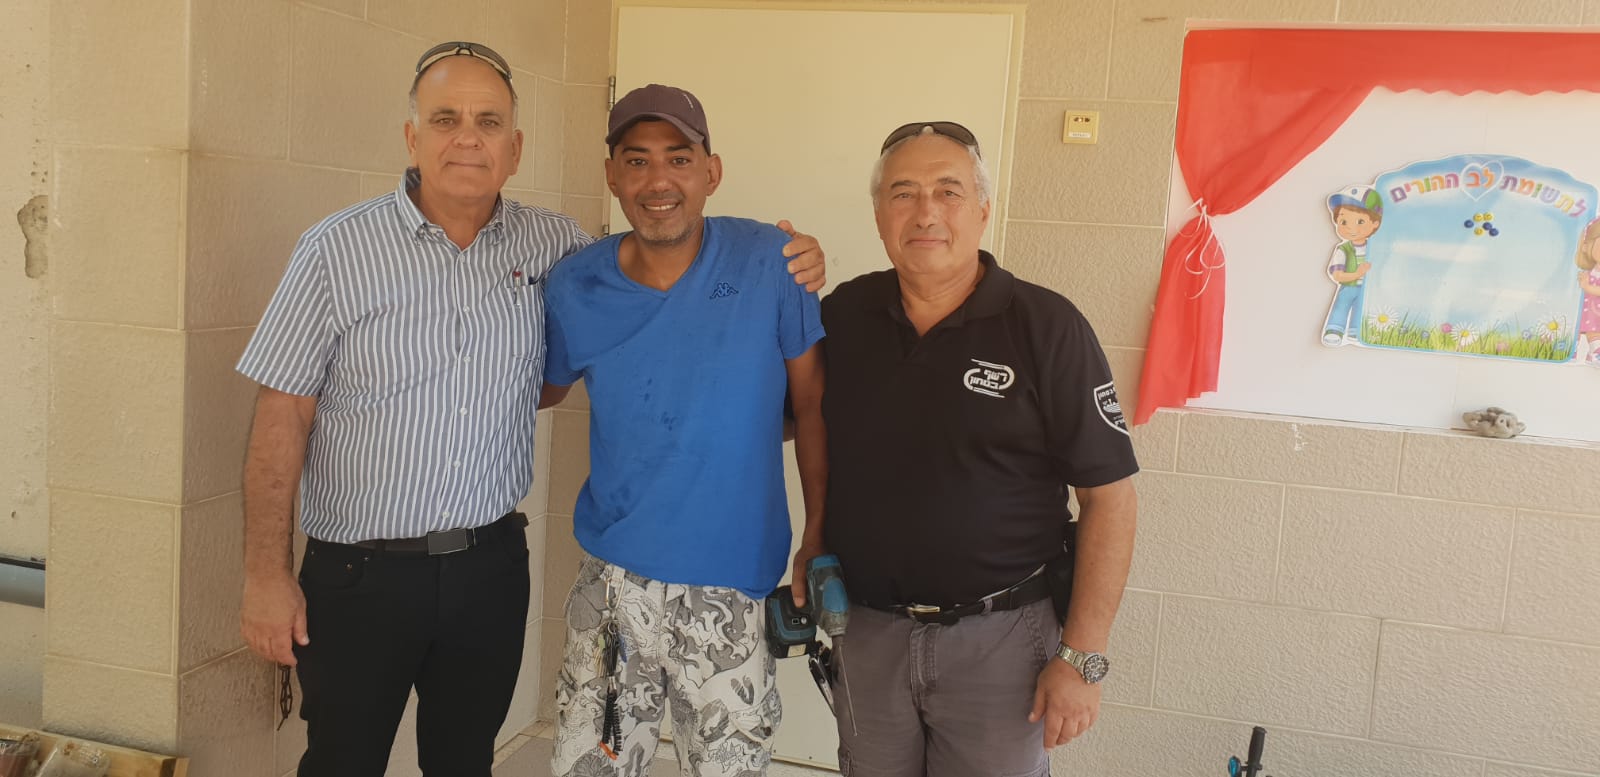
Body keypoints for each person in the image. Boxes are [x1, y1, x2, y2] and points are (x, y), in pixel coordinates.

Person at [235, 45, 825, 777]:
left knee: (464, 760)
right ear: (412, 136)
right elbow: (282, 413)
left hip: (487, 569)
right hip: (360, 573)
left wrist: (801, 257)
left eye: (488, 122)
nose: (467, 138)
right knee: (342, 762)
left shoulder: (556, 249)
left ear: (515, 149)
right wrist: (265, 573)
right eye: (445, 119)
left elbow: (668, 342)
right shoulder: (336, 249)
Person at [818, 122, 1140, 777]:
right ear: (879, 214)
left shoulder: (1046, 326)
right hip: (868, 631)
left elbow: (1110, 499)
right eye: (903, 193)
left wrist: (1081, 657)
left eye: (949, 191)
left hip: (1003, 640)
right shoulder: (844, 315)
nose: (926, 212)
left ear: (984, 210)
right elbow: (777, 417)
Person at [538, 84, 827, 777]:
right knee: (593, 768)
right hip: (613, 587)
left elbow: (813, 405)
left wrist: (820, 530)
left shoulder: (772, 261)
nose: (658, 180)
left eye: (678, 157)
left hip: (729, 587)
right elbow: (535, 392)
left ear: (711, 172)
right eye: (636, 160)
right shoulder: (575, 284)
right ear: (612, 175)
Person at [1321, 185, 1384, 346]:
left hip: (1368, 289)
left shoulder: (1375, 249)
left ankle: (1356, 331)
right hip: (1348, 287)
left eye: (1360, 221)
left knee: (1362, 308)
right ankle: (1334, 330)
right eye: (1343, 221)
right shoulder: (1343, 250)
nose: (1350, 227)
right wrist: (1357, 274)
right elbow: (1337, 275)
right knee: (1341, 306)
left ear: (1375, 223)